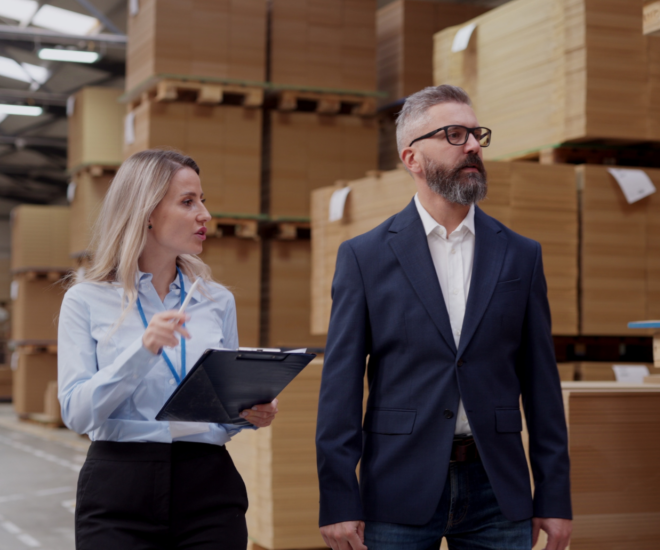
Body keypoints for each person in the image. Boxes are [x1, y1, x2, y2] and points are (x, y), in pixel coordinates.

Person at [315, 85, 572, 550]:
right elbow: (341, 386)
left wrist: (554, 495)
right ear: (412, 158)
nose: (473, 145)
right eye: (454, 134)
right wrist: (338, 498)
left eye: (476, 134)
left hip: (498, 488)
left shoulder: (520, 255)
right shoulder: (364, 257)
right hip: (397, 487)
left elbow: (542, 385)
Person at [58, 149, 278, 550]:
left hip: (208, 486)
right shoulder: (85, 300)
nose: (204, 215)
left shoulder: (216, 301)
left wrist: (247, 413)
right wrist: (142, 351)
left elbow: (221, 411)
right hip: (119, 488)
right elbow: (75, 413)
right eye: (188, 202)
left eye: (203, 201)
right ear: (146, 212)